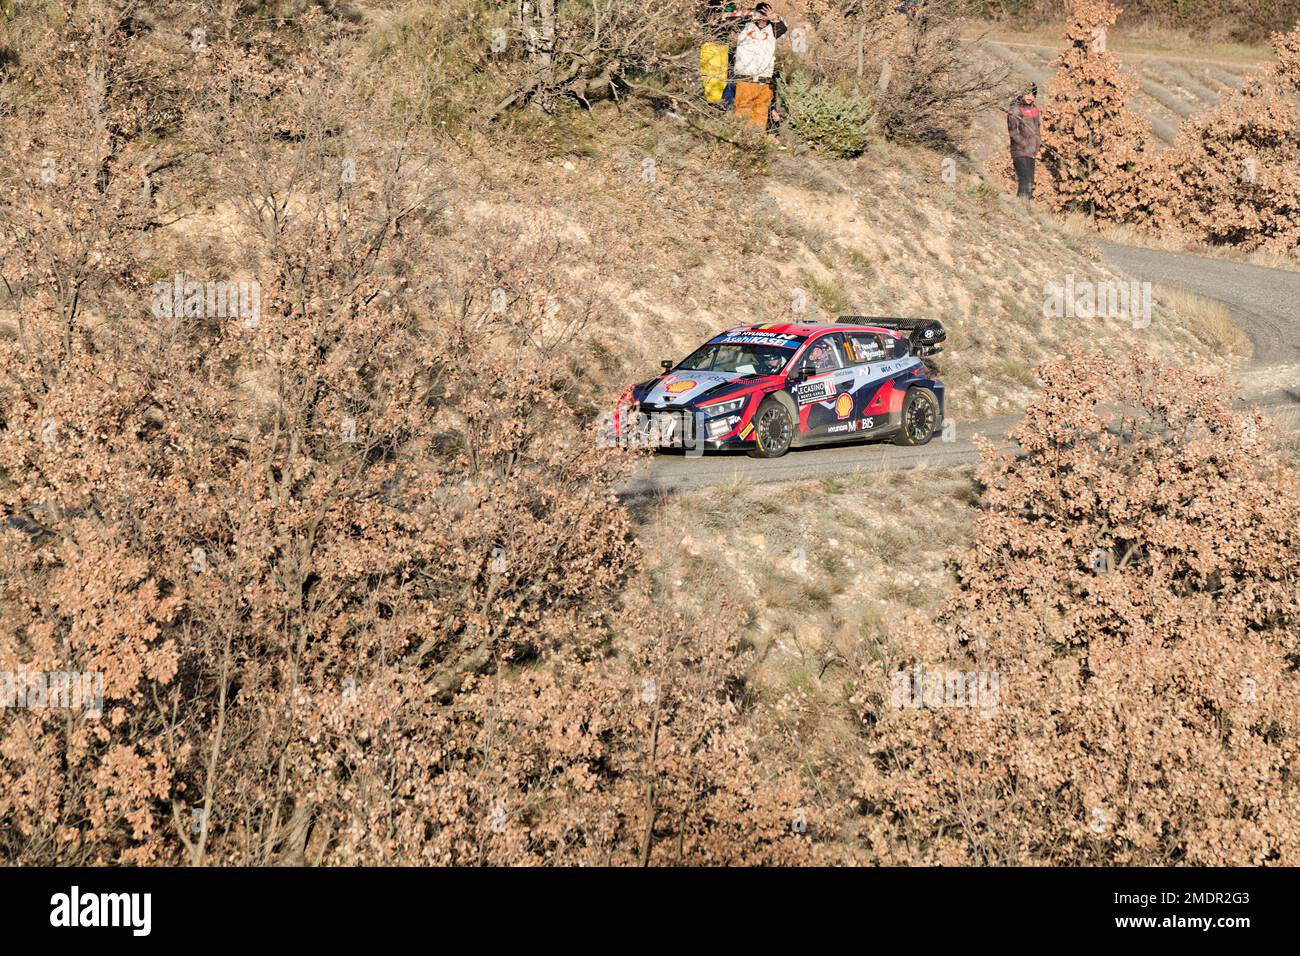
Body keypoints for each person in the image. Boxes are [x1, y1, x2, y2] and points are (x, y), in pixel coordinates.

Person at [721, 4, 788, 131]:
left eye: (765, 16)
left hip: (764, 80)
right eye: (761, 15)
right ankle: (740, 144)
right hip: (745, 78)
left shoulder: (773, 29)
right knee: (743, 117)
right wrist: (752, 13)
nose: (763, 19)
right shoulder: (744, 26)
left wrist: (774, 17)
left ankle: (756, 144)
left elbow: (785, 26)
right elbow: (725, 17)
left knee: (760, 119)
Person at [1008, 83, 1042, 201]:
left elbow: (1037, 130)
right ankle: (1020, 209)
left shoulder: (1035, 110)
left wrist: (1037, 146)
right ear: (1022, 94)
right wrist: (1026, 145)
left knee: (1030, 183)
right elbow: (1013, 132)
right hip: (1020, 151)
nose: (1030, 97)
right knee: (1024, 181)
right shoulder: (1015, 108)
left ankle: (1025, 208)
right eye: (1027, 93)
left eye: (1033, 94)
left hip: (1031, 153)